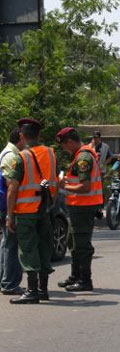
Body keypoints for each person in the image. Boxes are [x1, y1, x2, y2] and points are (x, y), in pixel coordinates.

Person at [5, 118, 58, 304]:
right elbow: (54, 182)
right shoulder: (51, 153)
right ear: (39, 135)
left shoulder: (21, 157)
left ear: (21, 135)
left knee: (28, 249)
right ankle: (43, 289)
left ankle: (32, 290)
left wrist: (9, 216)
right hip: (45, 209)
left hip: (26, 211)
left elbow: (12, 189)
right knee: (44, 247)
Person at [56, 127, 103, 292]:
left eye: (63, 146)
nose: (64, 149)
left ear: (69, 142)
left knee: (82, 244)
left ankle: (85, 280)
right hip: (78, 206)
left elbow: (85, 187)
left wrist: (65, 186)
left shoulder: (83, 156)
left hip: (84, 206)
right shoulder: (81, 155)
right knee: (72, 242)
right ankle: (75, 276)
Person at [0, 127, 26, 295]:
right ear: (21, 137)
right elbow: (11, 187)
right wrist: (10, 214)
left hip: (4, 205)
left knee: (6, 243)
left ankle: (5, 280)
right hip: (8, 207)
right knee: (11, 244)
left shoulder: (7, 153)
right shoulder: (12, 156)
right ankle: (10, 283)